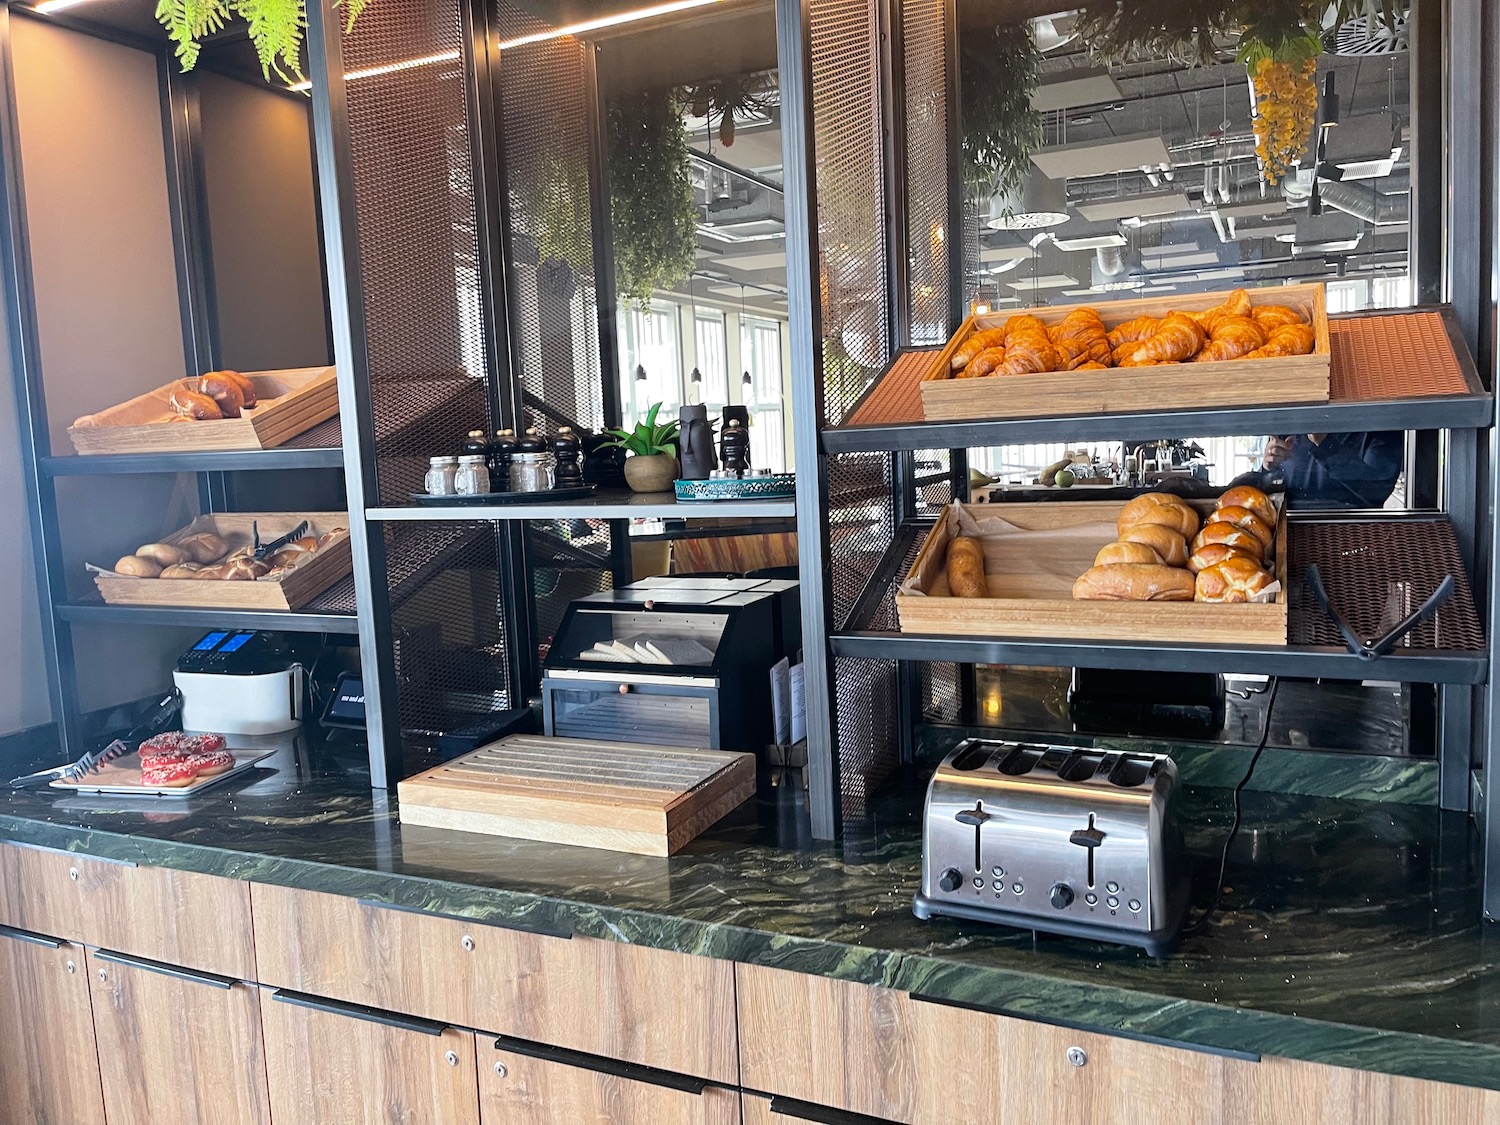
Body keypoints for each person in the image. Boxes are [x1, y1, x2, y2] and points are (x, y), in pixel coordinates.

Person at [1248, 431, 1404, 509]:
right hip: (1287, 530)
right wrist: (1268, 467)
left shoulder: (1378, 425)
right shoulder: (1290, 423)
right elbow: (1269, 494)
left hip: (1354, 533)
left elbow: (1376, 491)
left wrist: (1325, 444)